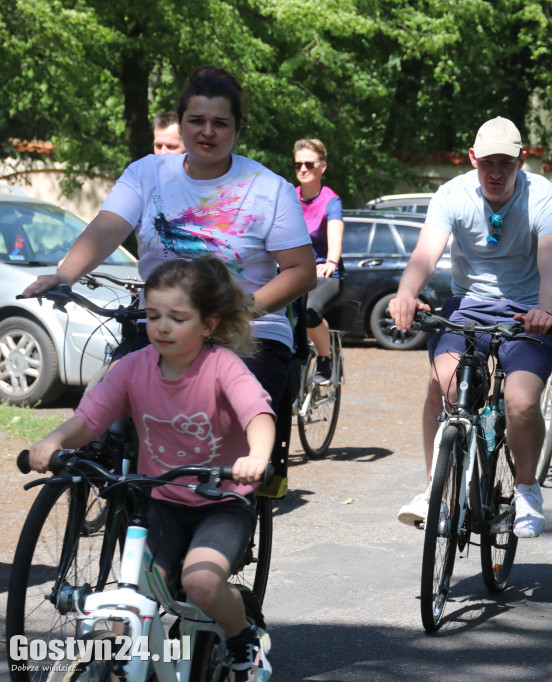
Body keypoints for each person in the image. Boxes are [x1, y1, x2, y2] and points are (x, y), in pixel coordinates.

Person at [22, 66, 317, 496]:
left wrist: (238, 310)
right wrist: (65, 274)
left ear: (238, 128)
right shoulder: (147, 174)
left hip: (246, 329)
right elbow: (106, 229)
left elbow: (301, 271)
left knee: (208, 426)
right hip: (162, 321)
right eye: (196, 121)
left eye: (221, 123)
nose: (208, 132)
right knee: (107, 394)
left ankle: (214, 514)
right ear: (180, 122)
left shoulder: (268, 188)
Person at [28, 256, 275, 679]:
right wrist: (54, 441)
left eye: (177, 318)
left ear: (208, 325)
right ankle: (127, 667)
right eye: (154, 315)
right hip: (159, 502)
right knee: (132, 596)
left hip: (221, 501)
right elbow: (90, 419)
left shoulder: (222, 367)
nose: (161, 326)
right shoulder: (132, 368)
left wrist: (257, 457)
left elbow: (258, 415)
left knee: (200, 583)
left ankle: (244, 639)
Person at [390, 116, 552, 538]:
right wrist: (405, 293)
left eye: (505, 163)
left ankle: (527, 489)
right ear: (472, 158)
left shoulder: (545, 198)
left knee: (521, 401)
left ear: (521, 161)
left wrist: (546, 310)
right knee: (442, 383)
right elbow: (424, 254)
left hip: (527, 312)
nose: (495, 172)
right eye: (487, 161)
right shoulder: (453, 195)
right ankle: (438, 488)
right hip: (469, 305)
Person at [294, 138, 345, 383]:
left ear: (322, 167)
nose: (303, 169)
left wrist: (331, 262)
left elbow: (335, 238)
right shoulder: (289, 197)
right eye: (297, 165)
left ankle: (325, 358)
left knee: (308, 312)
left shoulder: (330, 201)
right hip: (295, 272)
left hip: (325, 274)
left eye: (309, 164)